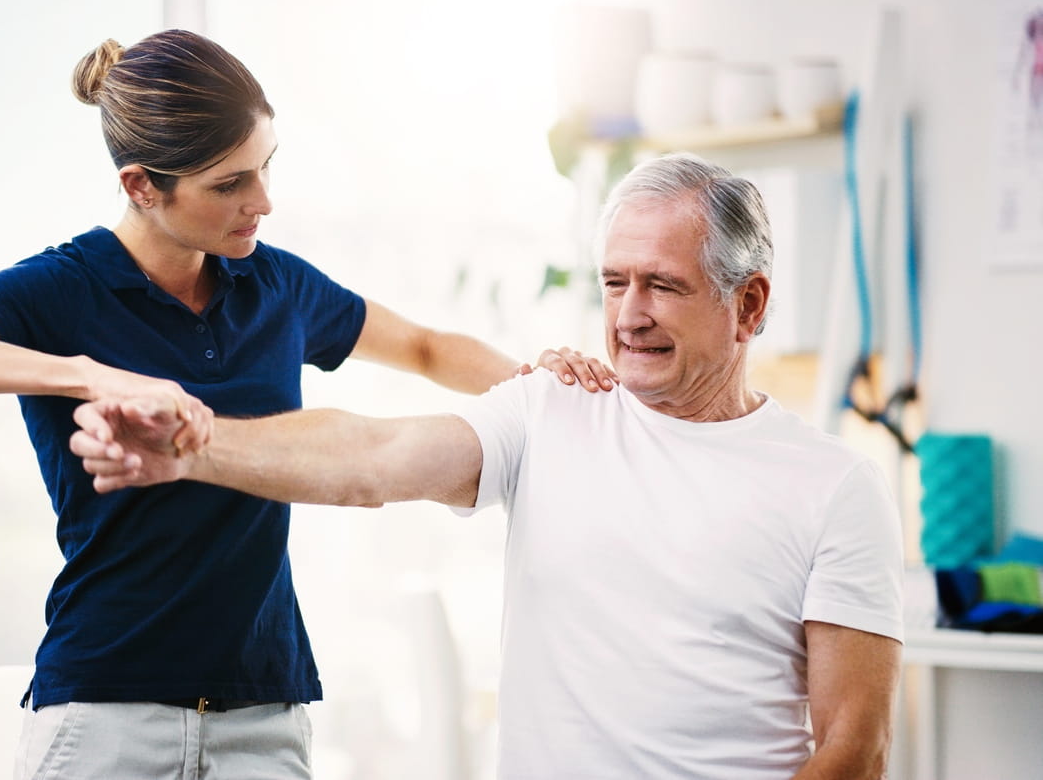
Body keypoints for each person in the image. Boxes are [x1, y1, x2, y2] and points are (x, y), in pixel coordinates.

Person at [0, 28, 614, 780]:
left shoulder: (275, 285)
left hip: (264, 710)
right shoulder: (63, 288)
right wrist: (86, 374)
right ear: (142, 186)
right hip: (106, 711)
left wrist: (537, 383)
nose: (263, 201)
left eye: (265, 168)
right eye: (230, 184)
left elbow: (424, 347)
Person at [72, 152, 906, 780]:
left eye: (663, 286)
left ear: (749, 304)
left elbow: (854, 747)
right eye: (614, 283)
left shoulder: (834, 486)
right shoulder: (550, 410)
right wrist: (194, 449)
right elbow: (376, 457)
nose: (629, 315)